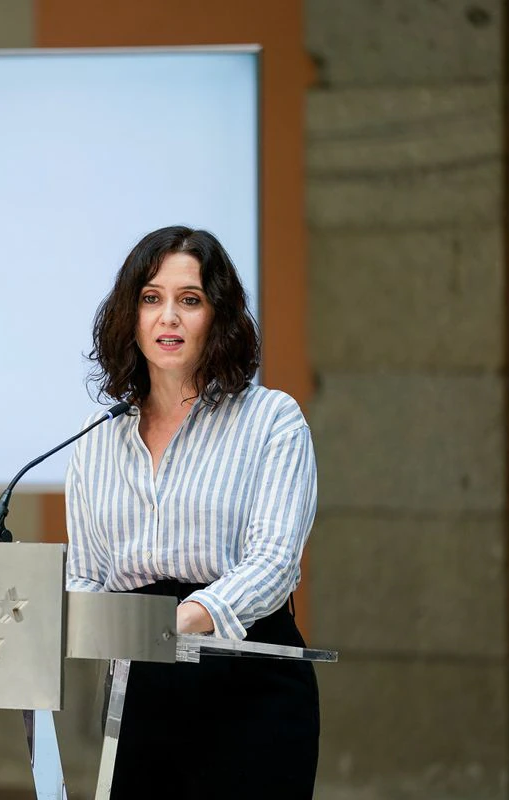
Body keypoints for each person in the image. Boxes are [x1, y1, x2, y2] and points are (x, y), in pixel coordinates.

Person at [65, 226, 320, 798]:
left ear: (218, 316)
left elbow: (274, 563)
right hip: (140, 691)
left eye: (190, 299)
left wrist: (172, 623)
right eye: (150, 298)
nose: (168, 317)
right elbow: (86, 574)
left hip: (250, 682)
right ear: (130, 316)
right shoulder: (96, 436)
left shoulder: (271, 419)